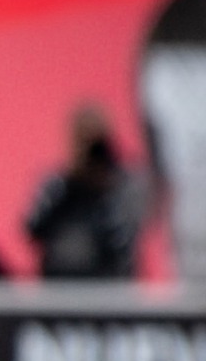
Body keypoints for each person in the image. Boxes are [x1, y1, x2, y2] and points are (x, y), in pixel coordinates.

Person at [24, 102, 145, 280]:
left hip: (110, 290)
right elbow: (33, 228)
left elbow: (124, 241)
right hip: (61, 288)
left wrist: (104, 191)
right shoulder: (57, 185)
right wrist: (69, 188)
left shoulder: (124, 186)